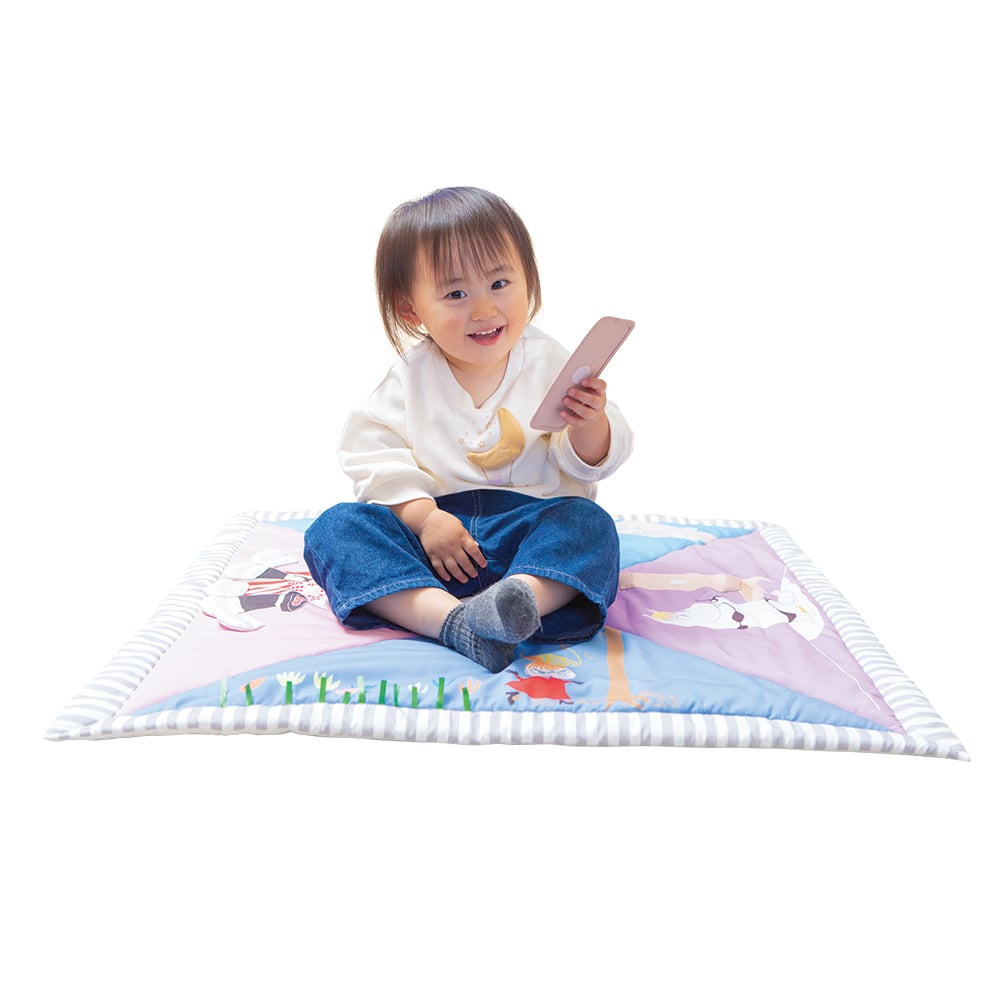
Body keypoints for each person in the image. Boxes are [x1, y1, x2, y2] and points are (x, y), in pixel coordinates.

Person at [303, 186, 633, 672]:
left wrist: (591, 423)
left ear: (528, 280)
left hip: (528, 538)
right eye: (456, 294)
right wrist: (424, 519)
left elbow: (591, 461)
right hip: (435, 547)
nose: (483, 310)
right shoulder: (409, 378)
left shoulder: (548, 361)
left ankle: (517, 602)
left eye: (500, 283)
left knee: (589, 525)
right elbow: (373, 456)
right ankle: (453, 621)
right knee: (335, 529)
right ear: (412, 311)